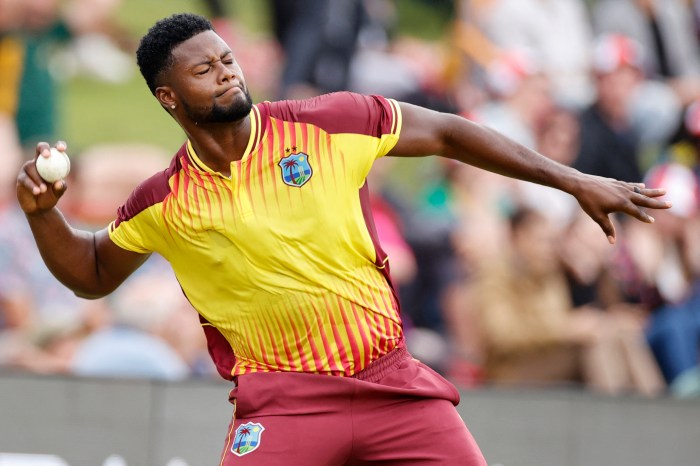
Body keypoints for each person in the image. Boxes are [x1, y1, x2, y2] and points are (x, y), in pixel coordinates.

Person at [15, 13, 671, 465]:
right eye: (204, 70)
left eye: (228, 60)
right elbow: (92, 272)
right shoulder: (164, 201)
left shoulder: (325, 124)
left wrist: (572, 179)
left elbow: (447, 132)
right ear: (168, 97)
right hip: (284, 405)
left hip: (392, 386)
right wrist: (46, 216)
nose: (226, 74)